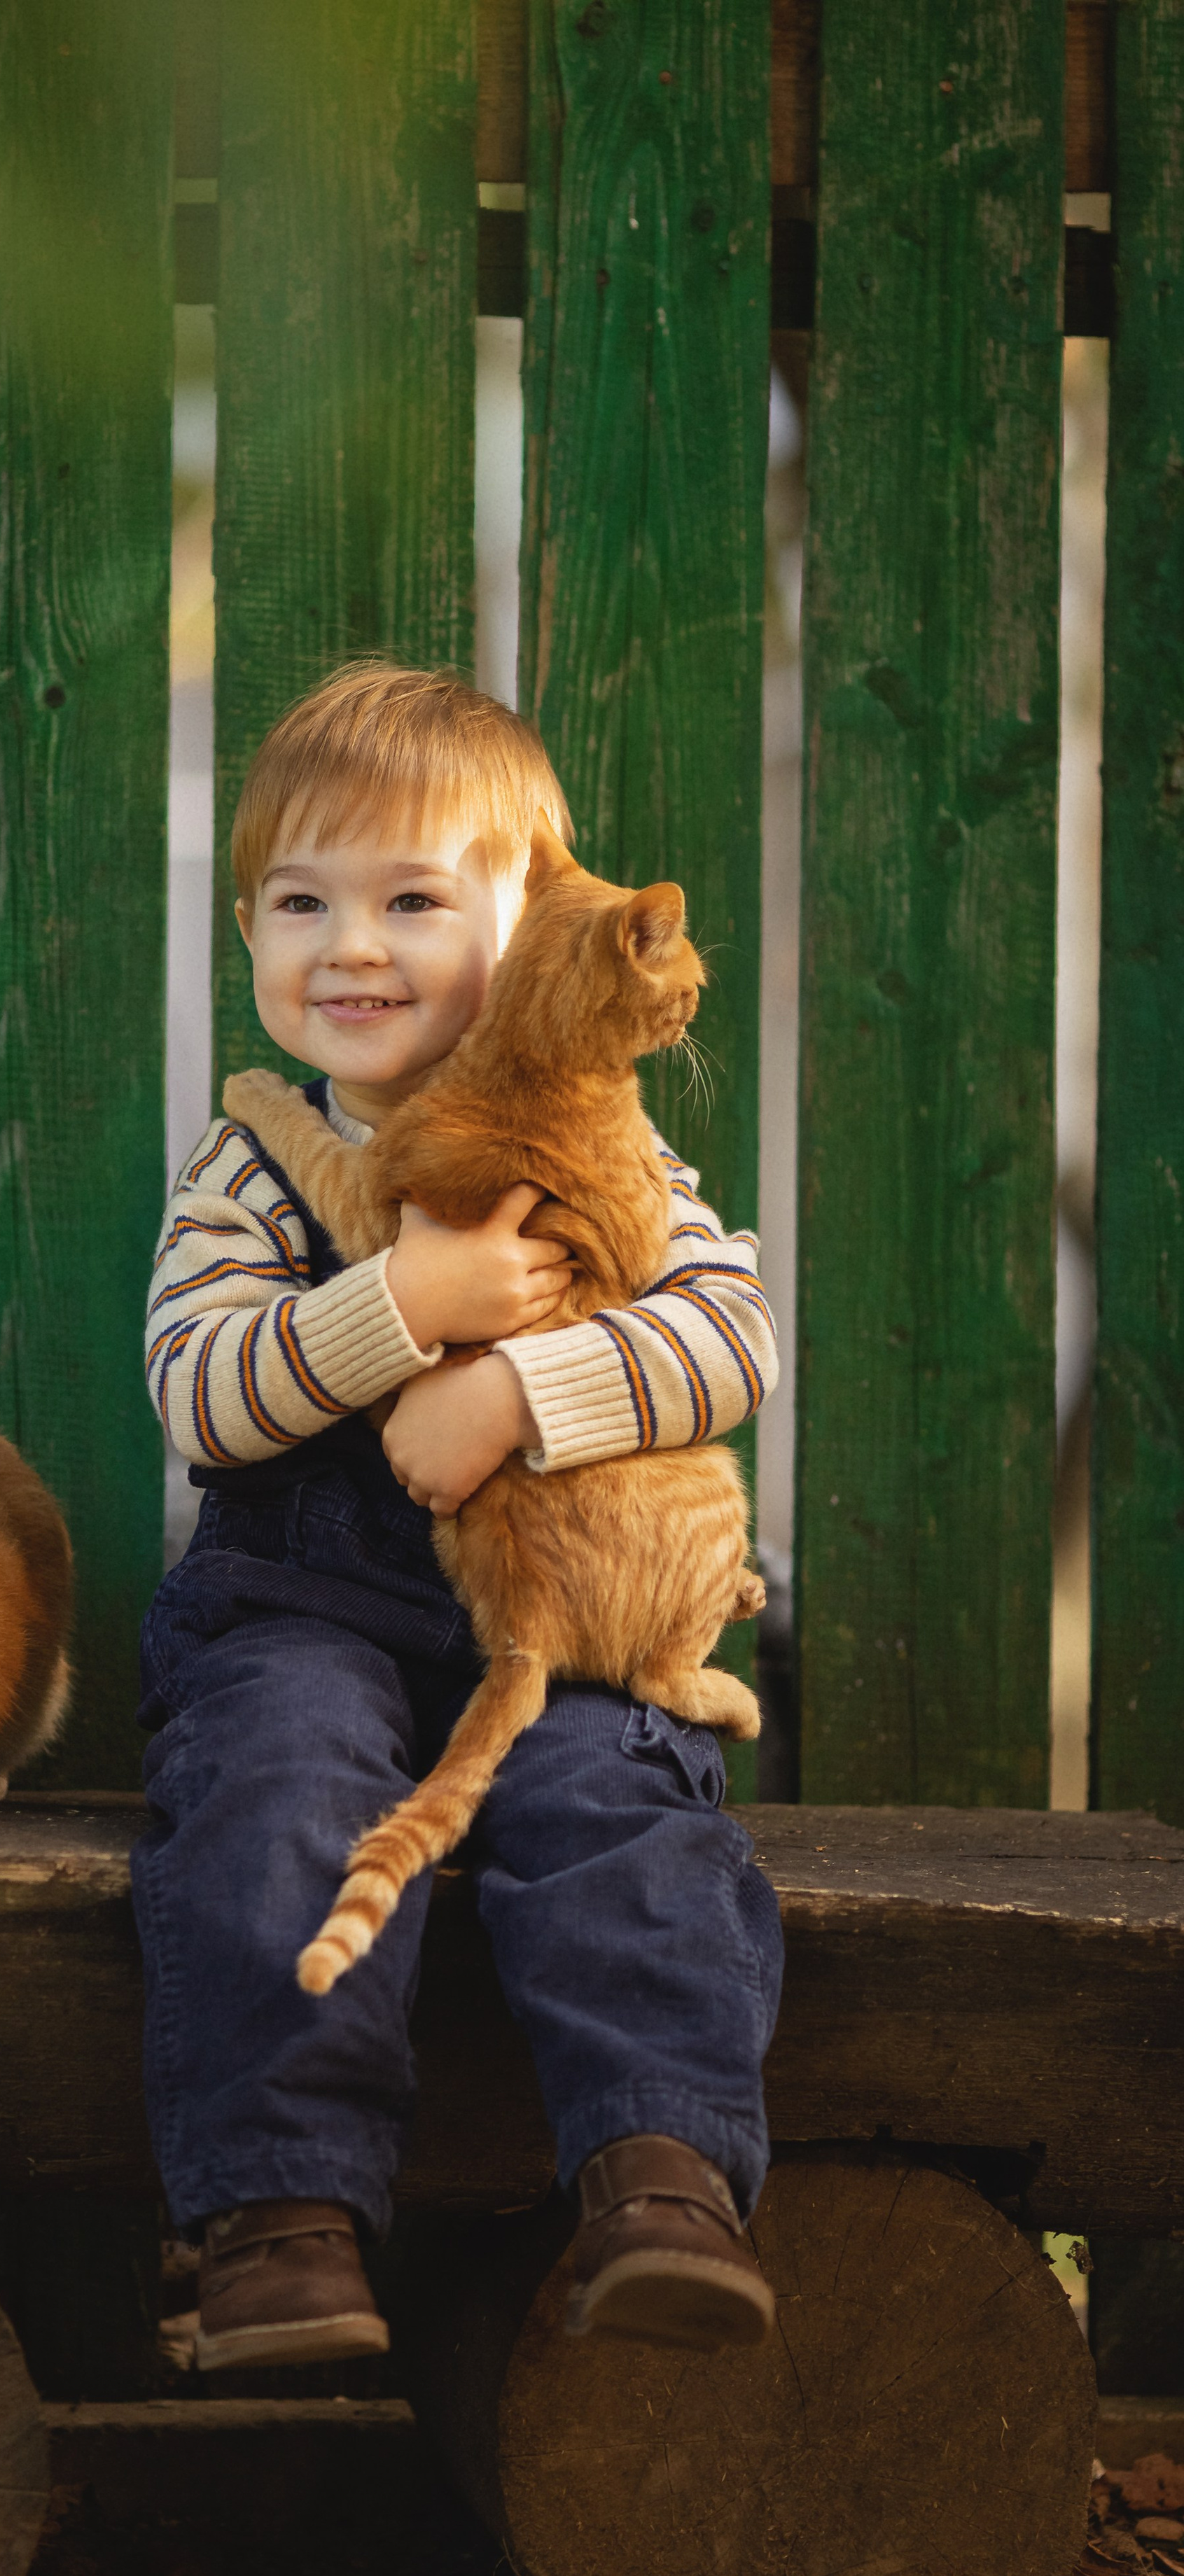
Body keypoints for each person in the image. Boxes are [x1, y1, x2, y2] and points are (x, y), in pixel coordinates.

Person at [133, 662, 783, 2372]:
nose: (349, 946)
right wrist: (400, 1306)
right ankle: (278, 2218)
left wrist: (515, 1392)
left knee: (618, 1809)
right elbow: (198, 1392)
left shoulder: (605, 1143)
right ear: (250, 931)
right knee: (277, 1783)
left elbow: (732, 1340)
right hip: (305, 1611)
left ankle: (658, 2183)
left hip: (555, 1636)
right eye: (300, 904)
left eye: (411, 901)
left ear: (522, 927)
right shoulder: (251, 1169)